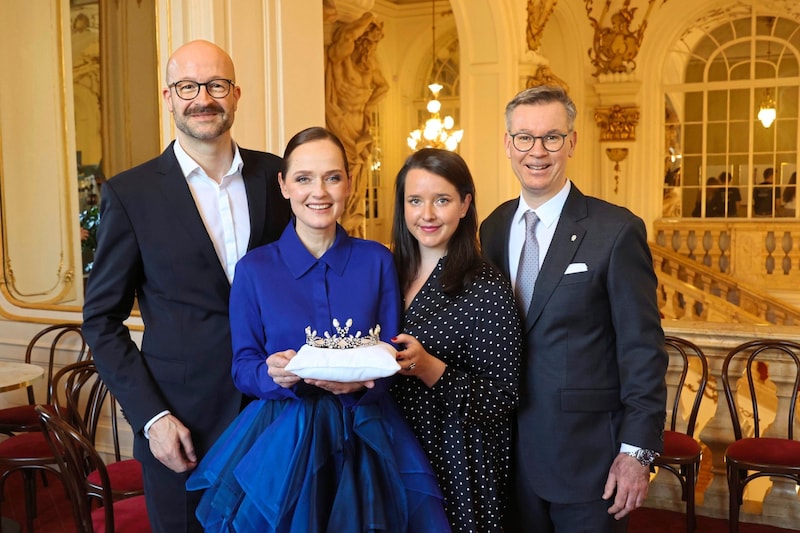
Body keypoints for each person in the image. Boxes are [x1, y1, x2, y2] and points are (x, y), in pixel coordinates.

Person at [186, 127, 449, 532]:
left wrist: (365, 384)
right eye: (304, 178)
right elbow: (243, 367)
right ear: (284, 185)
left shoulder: (377, 261)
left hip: (366, 434)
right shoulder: (254, 270)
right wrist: (274, 374)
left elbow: (391, 356)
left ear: (349, 183)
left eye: (332, 177)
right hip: (283, 440)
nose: (319, 192)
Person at [81, 40, 292, 533]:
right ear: (169, 96)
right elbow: (101, 320)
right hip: (182, 428)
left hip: (278, 414)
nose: (204, 97)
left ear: (236, 94)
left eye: (216, 84)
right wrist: (152, 419)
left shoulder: (280, 178)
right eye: (188, 86)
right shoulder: (130, 194)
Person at [479, 85, 667, 533]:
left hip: (588, 463)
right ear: (508, 144)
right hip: (505, 457)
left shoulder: (616, 231)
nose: (537, 151)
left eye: (552, 137)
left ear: (572, 142)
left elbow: (642, 350)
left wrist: (636, 452)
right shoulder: (493, 226)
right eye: (524, 137)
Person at [389, 148, 522, 532]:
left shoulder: (485, 285)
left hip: (456, 459)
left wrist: (431, 368)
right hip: (392, 446)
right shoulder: (386, 272)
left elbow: (504, 395)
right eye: (415, 200)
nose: (426, 214)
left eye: (441, 200)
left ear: (465, 204)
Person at [325, 12, 390, 237]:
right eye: (368, 43)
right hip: (342, 127)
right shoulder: (343, 61)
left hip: (359, 130)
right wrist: (366, 18)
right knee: (344, 174)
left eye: (374, 45)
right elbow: (342, 41)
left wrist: (368, 106)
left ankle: (351, 226)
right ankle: (344, 227)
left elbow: (384, 87)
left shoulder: (368, 68)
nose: (370, 50)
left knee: (358, 181)